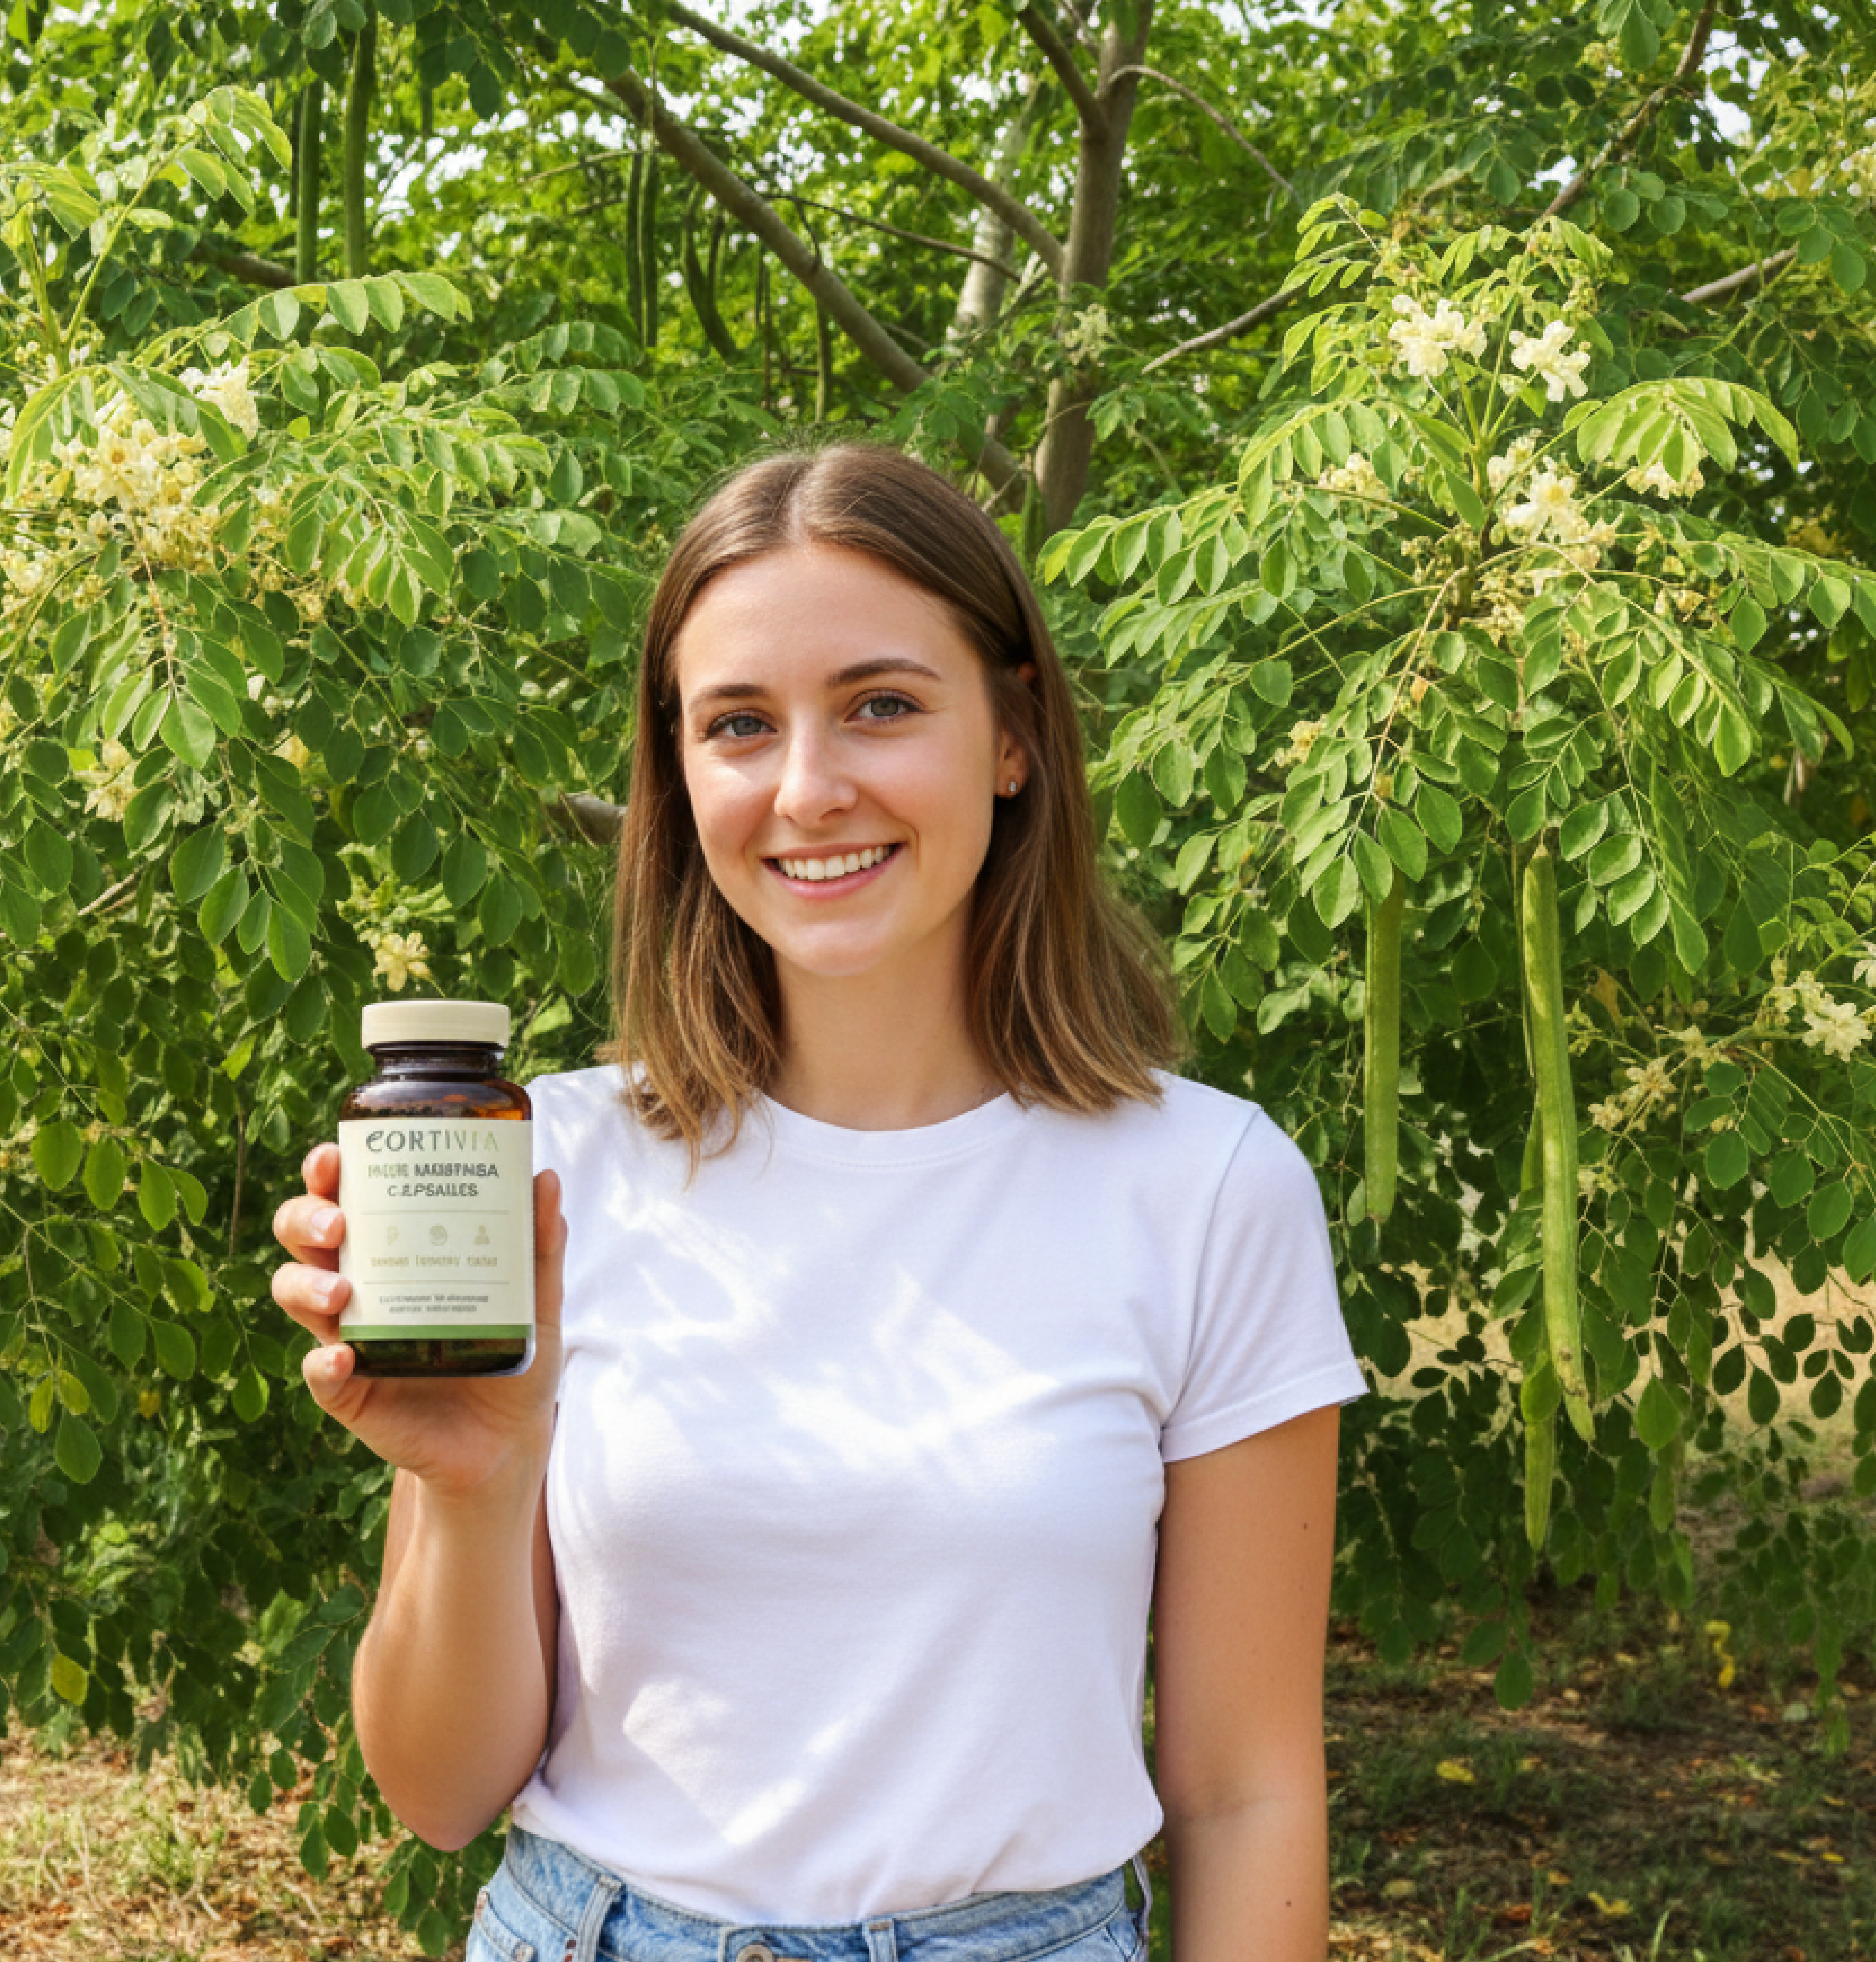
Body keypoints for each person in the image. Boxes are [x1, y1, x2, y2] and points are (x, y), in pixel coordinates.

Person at [269, 445, 1368, 1962]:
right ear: (682, 772)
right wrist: (474, 1481)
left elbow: (1244, 1792)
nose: (806, 788)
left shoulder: (1209, 1185)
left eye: (881, 705)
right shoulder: (540, 1169)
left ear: (1013, 735)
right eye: (738, 725)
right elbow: (441, 1793)